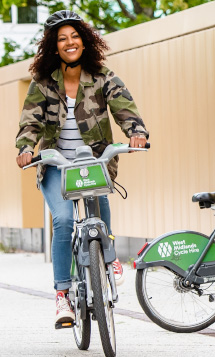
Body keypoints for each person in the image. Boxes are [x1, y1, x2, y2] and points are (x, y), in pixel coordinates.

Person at [13, 10, 148, 325]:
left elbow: (124, 107)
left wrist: (137, 133)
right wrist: (24, 148)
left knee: (99, 201)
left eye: (74, 36)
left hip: (93, 160)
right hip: (56, 164)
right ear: (54, 46)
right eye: (62, 38)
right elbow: (30, 121)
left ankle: (109, 258)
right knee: (62, 220)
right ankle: (62, 296)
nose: (69, 42)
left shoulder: (102, 76)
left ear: (85, 42)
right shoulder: (43, 83)